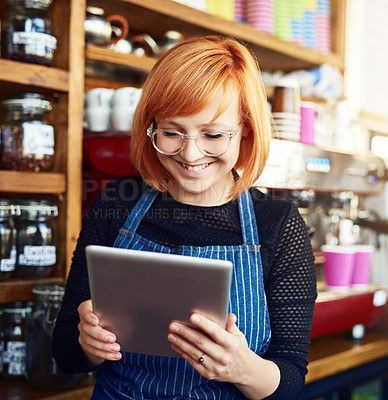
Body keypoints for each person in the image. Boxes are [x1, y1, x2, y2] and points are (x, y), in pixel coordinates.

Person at [53, 35, 316, 399]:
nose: (191, 154)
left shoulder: (279, 223)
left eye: (213, 134)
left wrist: (244, 368)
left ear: (246, 130)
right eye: (172, 132)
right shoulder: (117, 204)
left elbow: (289, 379)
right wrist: (87, 344)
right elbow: (65, 351)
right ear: (151, 127)